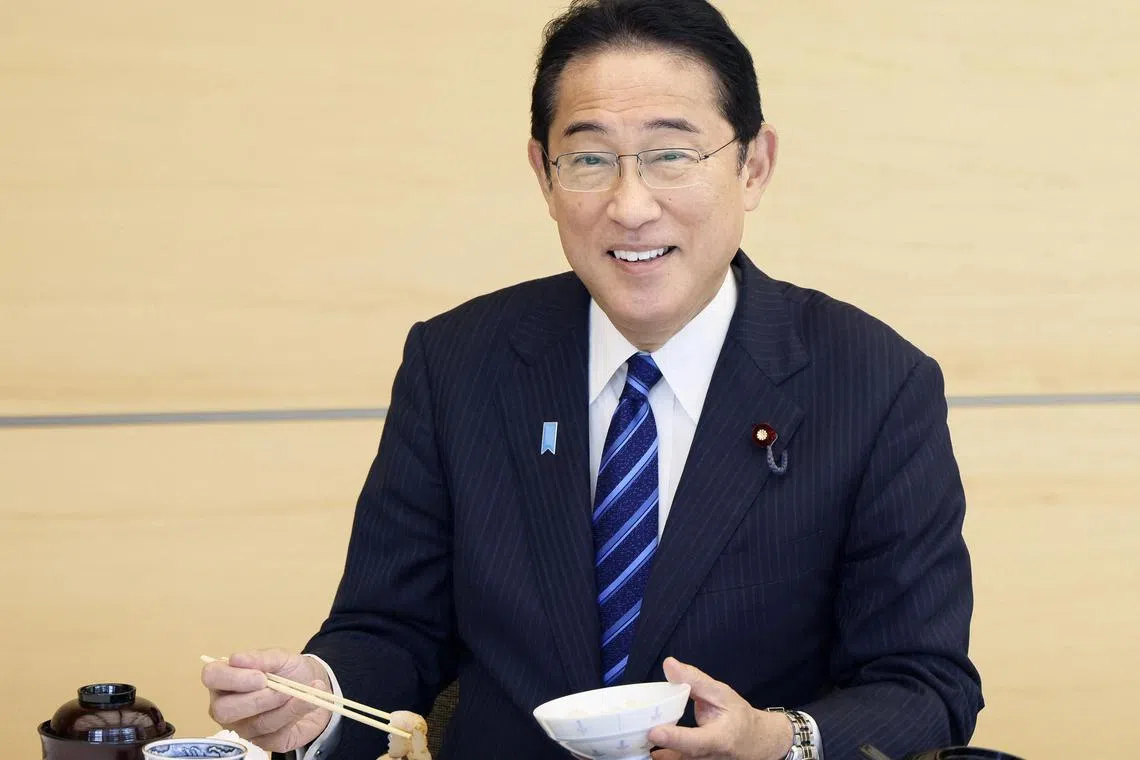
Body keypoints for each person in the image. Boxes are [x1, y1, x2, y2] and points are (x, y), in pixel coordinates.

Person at [201, 1, 984, 758]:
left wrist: (778, 741)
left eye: (671, 154)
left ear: (753, 165)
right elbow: (392, 629)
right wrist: (319, 696)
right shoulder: (458, 363)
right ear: (544, 175)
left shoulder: (874, 384)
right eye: (588, 159)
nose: (631, 206)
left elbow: (923, 684)